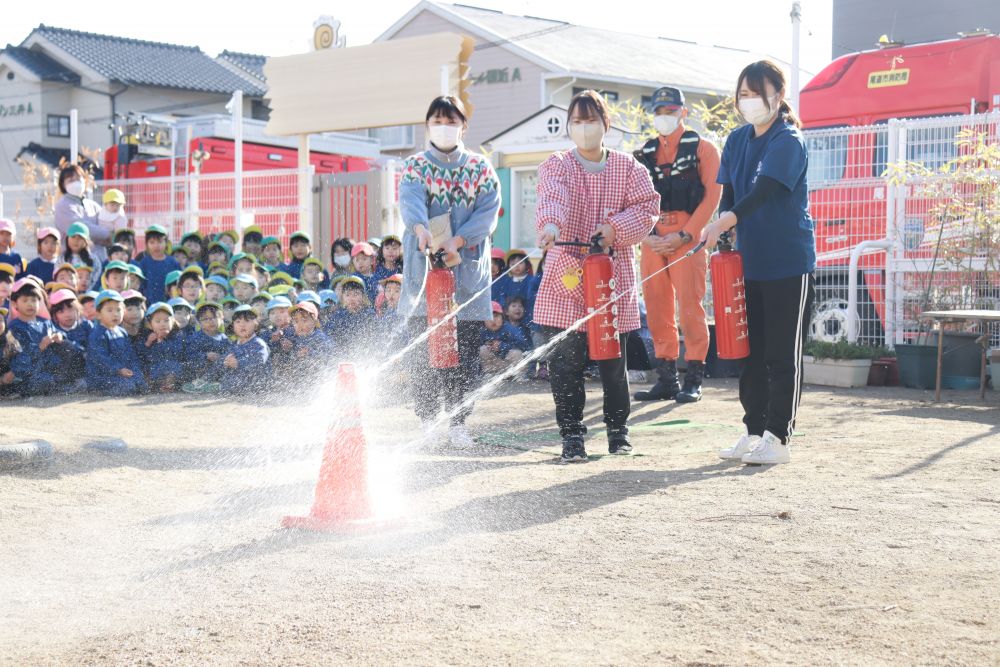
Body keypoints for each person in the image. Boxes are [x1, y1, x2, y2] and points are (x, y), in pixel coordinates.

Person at [700, 60, 816, 466]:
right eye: (743, 94)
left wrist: (725, 221)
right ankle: (753, 431)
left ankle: (779, 438)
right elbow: (729, 194)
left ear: (778, 95)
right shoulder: (736, 140)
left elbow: (765, 191)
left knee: (783, 355)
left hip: (787, 263)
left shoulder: (788, 140)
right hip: (747, 265)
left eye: (757, 93)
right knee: (750, 353)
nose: (749, 101)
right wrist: (725, 228)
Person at [534, 90, 659, 463]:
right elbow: (551, 197)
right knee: (565, 363)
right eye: (577, 120)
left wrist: (614, 228)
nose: (584, 127)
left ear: (606, 124)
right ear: (570, 126)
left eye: (591, 120)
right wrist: (551, 225)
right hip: (566, 275)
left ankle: (618, 434)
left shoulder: (630, 168)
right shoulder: (556, 165)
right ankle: (572, 436)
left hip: (610, 276)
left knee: (613, 363)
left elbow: (647, 207)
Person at [398, 95, 501, 447]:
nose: (444, 126)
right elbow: (410, 200)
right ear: (427, 125)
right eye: (437, 120)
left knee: (465, 353)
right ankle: (428, 421)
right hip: (425, 270)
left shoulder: (480, 168)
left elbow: (488, 212)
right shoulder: (415, 166)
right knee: (423, 354)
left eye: (451, 120)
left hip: (466, 272)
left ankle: (458, 422)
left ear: (463, 126)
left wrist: (460, 239)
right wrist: (419, 229)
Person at [633, 86, 722, 404]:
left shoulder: (704, 149)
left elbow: (713, 195)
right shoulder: (643, 154)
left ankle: (694, 378)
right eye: (658, 112)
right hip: (653, 240)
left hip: (688, 238)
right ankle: (667, 378)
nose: (664, 117)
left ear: (683, 112)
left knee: (690, 308)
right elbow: (633, 201)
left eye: (670, 111)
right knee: (656, 309)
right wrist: (646, 235)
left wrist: (686, 234)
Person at [10, 279, 85, 395]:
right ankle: (59, 388)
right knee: (42, 380)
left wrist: (60, 336)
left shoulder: (45, 322)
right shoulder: (15, 327)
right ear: (15, 304)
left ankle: (65, 382)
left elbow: (59, 334)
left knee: (69, 346)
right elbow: (19, 357)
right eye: (25, 300)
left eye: (34, 300)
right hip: (30, 372)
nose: (30, 304)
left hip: (50, 366)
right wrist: (39, 347)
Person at [87, 290, 147, 395]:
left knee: (140, 380)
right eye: (109, 310)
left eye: (118, 310)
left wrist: (134, 369)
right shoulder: (97, 334)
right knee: (127, 385)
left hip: (122, 372)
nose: (115, 314)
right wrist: (118, 369)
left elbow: (130, 355)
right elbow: (100, 359)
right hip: (103, 376)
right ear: (98, 314)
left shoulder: (122, 332)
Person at [53, 165, 111, 262]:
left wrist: (105, 235)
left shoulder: (93, 205)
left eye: (79, 178)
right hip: (74, 262)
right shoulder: (62, 205)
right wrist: (105, 234)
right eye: (71, 180)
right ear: (63, 184)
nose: (76, 182)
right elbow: (80, 227)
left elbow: (106, 223)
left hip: (99, 260)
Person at [323, 276, 375, 359]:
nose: (351, 298)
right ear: (343, 297)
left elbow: (374, 337)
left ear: (363, 296)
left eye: (356, 294)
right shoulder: (338, 316)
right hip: (343, 356)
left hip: (364, 355)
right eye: (347, 295)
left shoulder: (369, 315)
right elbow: (327, 336)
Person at [138, 302, 185, 392]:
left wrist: (162, 342)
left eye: (166, 320)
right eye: (158, 321)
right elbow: (142, 355)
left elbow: (176, 353)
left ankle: (168, 386)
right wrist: (147, 343)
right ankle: (154, 386)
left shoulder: (177, 335)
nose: (162, 324)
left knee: (172, 367)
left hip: (171, 368)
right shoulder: (145, 337)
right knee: (148, 371)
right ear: (149, 324)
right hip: (154, 369)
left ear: (173, 322)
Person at [480, 301, 530, 376]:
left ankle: (519, 375)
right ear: (483, 321)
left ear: (502, 318)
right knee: (483, 349)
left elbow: (523, 345)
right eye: (489, 317)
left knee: (516, 353)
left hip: (511, 365)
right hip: (497, 365)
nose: (493, 320)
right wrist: (488, 345)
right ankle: (489, 374)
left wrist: (502, 346)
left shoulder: (510, 329)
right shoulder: (483, 331)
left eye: (496, 316)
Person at [134, 224, 180, 303]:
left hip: (169, 303)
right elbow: (140, 285)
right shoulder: (144, 263)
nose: (156, 246)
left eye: (160, 242)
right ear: (147, 245)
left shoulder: (173, 262)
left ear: (166, 243)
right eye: (152, 242)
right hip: (149, 303)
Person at [63, 221, 102, 292]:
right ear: (67, 238)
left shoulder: (93, 259)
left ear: (86, 241)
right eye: (73, 237)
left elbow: (97, 279)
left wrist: (86, 293)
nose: (76, 241)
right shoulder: (62, 258)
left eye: (80, 238)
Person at [0, 306, 21, 397]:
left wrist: (12, 372)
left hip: (8, 379)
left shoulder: (10, 339)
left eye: (0, 320)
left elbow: (21, 359)